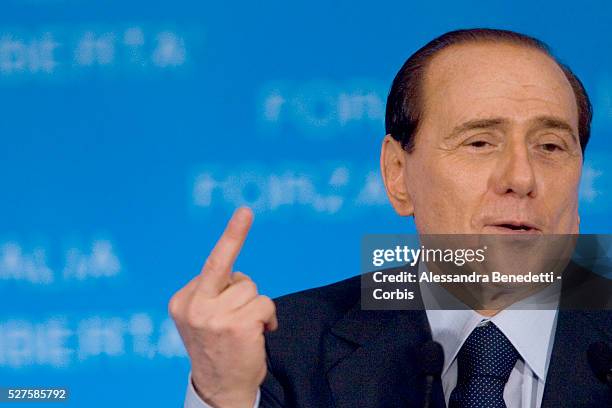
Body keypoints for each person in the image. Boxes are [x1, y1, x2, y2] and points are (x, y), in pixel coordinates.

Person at [170, 28, 611, 407]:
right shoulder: (289, 348)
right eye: (479, 142)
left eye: (551, 146)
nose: (521, 177)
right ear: (397, 175)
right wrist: (225, 394)